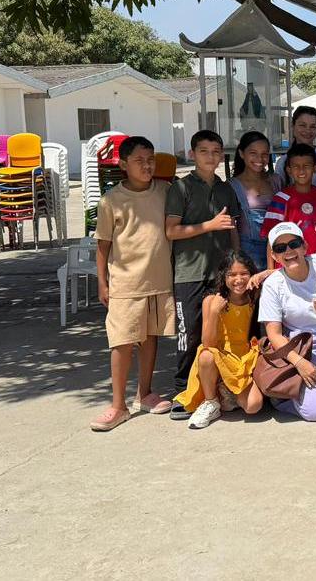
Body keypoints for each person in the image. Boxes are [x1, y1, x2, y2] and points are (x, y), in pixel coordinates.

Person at [90, 136, 175, 431]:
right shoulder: (111, 200)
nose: (146, 165)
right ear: (124, 164)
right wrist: (102, 282)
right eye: (139, 161)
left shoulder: (165, 191)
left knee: (149, 337)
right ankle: (118, 405)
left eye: (150, 159)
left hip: (159, 280)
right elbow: (103, 245)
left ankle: (145, 393)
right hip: (126, 282)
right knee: (122, 342)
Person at [165, 129, 242, 416]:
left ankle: (214, 388)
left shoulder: (226, 189)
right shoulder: (181, 188)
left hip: (220, 274)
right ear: (192, 153)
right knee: (189, 334)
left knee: (218, 335)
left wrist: (234, 263)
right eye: (204, 151)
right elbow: (171, 230)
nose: (210, 156)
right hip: (189, 274)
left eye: (215, 151)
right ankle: (183, 391)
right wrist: (208, 226)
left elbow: (232, 228)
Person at [257, 222, 316, 422]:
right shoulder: (274, 284)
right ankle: (284, 398)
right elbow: (274, 334)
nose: (288, 251)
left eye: (294, 244)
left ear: (305, 246)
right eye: (280, 248)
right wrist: (300, 363)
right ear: (274, 257)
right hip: (306, 348)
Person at [176, 251, 266, 429]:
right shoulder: (212, 300)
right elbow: (208, 343)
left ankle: (226, 391)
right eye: (232, 275)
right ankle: (211, 401)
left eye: (244, 274)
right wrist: (215, 312)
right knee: (206, 355)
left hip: (244, 359)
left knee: (253, 406)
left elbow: (278, 272)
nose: (238, 280)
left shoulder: (253, 295)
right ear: (223, 276)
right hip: (219, 357)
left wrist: (263, 273)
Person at [260, 143, 316, 258]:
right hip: (289, 265)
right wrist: (271, 271)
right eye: (296, 166)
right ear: (288, 170)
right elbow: (271, 237)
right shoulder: (280, 198)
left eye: (307, 166)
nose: (301, 170)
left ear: (315, 168)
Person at [228, 131, 283, 269]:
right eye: (253, 153)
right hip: (248, 252)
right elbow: (232, 226)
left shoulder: (276, 180)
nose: (260, 158)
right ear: (241, 153)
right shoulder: (232, 185)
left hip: (277, 248)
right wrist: (237, 256)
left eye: (264, 154)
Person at [276, 106, 316, 192]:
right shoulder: (283, 161)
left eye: (313, 126)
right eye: (302, 125)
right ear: (292, 126)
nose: (308, 130)